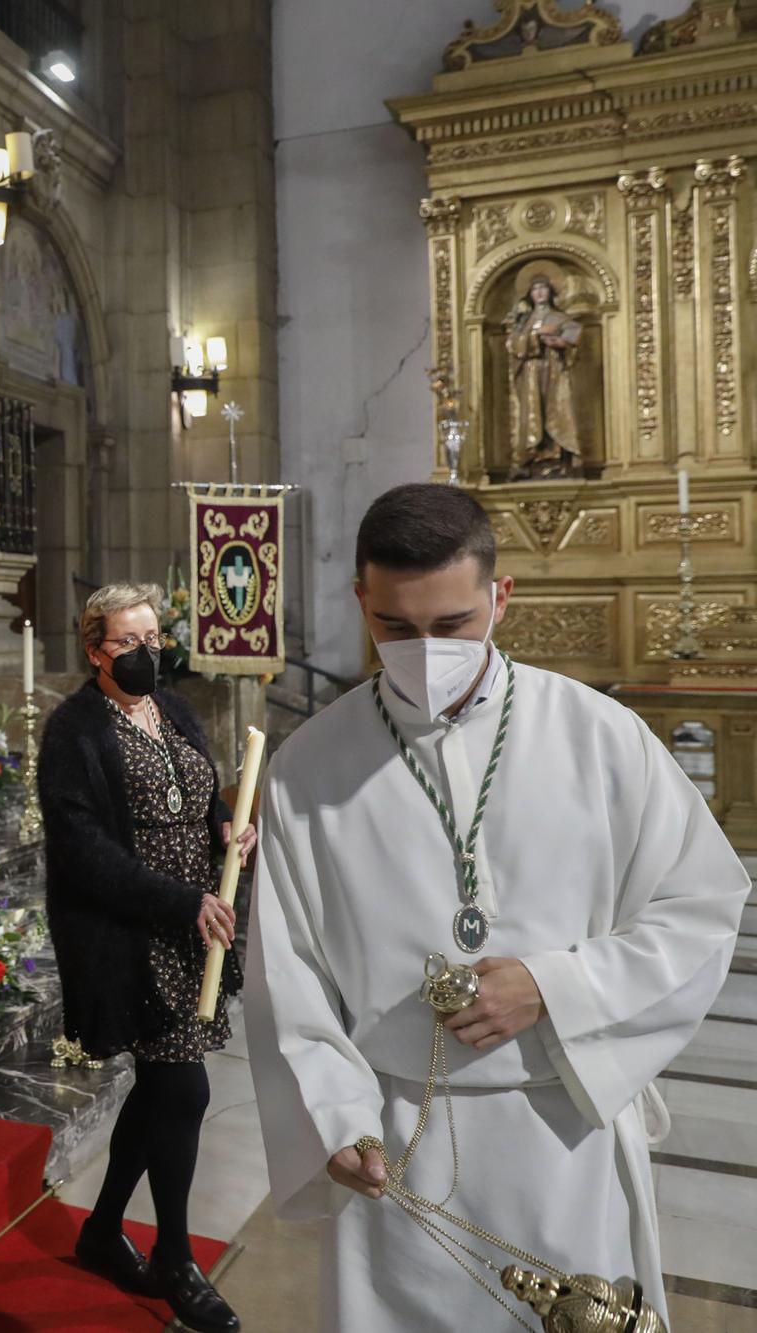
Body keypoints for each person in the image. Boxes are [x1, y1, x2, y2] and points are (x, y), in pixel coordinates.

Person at [246, 483, 748, 1330]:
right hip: (397, 1138)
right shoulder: (308, 766)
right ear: (361, 599)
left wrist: (556, 985)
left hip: (563, 1120)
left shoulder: (599, 736)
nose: (424, 650)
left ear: (499, 596)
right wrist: (334, 1114)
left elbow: (701, 904)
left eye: (452, 625)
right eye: (395, 628)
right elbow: (284, 969)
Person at [36, 582, 252, 1333]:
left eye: (153, 636)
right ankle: (176, 1257)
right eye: (128, 642)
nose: (145, 652)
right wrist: (177, 901)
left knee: (164, 1091)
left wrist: (228, 827)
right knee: (184, 1091)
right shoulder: (74, 731)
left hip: (195, 929)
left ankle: (101, 1230)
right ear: (96, 651)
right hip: (134, 932)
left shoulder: (176, 708)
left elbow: (201, 795)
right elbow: (82, 850)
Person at [504, 271, 584, 480]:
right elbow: (513, 344)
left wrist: (557, 341)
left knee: (555, 410)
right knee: (533, 412)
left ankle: (558, 457)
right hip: (531, 373)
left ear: (551, 292)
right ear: (529, 294)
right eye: (535, 289)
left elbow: (573, 337)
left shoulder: (560, 317)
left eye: (543, 288)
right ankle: (533, 456)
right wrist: (534, 335)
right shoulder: (523, 321)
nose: (539, 293)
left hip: (555, 371)